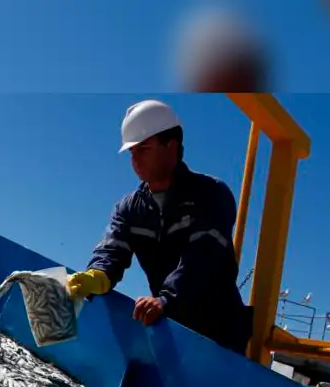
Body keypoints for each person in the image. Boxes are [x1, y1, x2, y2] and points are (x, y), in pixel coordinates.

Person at [67, 99, 253, 355]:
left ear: (171, 147)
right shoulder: (129, 208)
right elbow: (111, 252)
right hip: (172, 327)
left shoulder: (211, 194)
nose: (135, 160)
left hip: (220, 336)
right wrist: (96, 276)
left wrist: (166, 299)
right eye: (131, 153)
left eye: (143, 149)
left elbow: (202, 259)